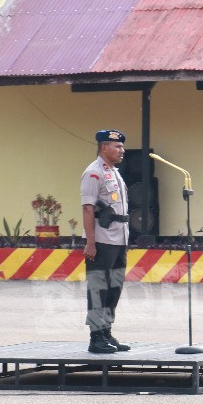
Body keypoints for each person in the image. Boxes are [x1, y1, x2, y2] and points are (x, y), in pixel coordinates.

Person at [82, 129, 132, 351]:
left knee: (114, 287)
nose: (122, 150)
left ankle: (106, 331)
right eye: (117, 146)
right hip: (102, 240)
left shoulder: (114, 172)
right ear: (104, 147)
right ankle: (95, 338)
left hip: (119, 238)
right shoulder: (94, 173)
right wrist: (90, 242)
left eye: (122, 146)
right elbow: (87, 208)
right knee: (98, 287)